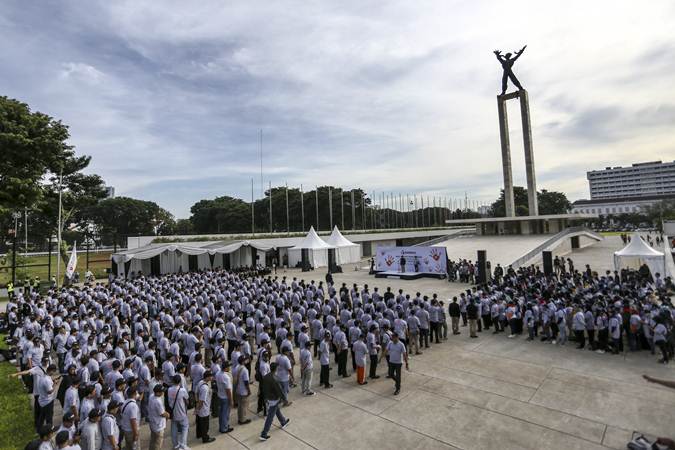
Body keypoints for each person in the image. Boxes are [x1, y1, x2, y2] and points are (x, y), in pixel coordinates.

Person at [259, 362, 291, 441]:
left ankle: (283, 421)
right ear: (276, 369)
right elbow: (279, 391)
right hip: (274, 399)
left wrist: (265, 397)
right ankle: (264, 434)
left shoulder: (266, 376)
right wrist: (285, 400)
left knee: (277, 410)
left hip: (268, 398)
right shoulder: (275, 378)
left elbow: (263, 387)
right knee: (270, 417)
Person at [167, 374, 189, 450]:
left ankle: (175, 445)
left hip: (173, 413)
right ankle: (183, 445)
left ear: (173, 381)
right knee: (185, 427)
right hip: (182, 412)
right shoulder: (182, 390)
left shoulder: (169, 390)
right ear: (180, 381)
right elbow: (187, 401)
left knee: (174, 428)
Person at [195, 369, 216, 443]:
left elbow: (196, 393)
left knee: (200, 424)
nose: (212, 377)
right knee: (205, 425)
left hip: (201, 408)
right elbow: (202, 400)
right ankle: (205, 438)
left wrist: (197, 404)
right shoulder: (205, 388)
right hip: (204, 409)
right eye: (210, 376)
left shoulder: (200, 382)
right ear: (207, 377)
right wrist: (198, 409)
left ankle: (199, 434)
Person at [148, 384, 170, 450]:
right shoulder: (157, 401)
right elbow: (162, 414)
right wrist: (168, 414)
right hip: (158, 426)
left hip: (152, 423)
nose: (163, 392)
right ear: (157, 392)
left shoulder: (151, 396)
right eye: (161, 391)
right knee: (158, 444)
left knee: (152, 441)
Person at [216, 360, 234, 433]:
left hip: (220, 395)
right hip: (225, 397)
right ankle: (224, 428)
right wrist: (231, 400)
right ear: (226, 368)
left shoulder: (218, 374)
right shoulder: (226, 377)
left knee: (221, 413)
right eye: (229, 366)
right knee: (225, 413)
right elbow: (228, 390)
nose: (230, 367)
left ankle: (222, 425)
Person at [235, 356, 252, 425]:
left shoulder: (237, 367)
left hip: (238, 389)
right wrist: (249, 390)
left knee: (240, 406)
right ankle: (243, 420)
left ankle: (240, 418)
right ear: (243, 361)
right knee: (244, 406)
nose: (246, 361)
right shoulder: (245, 370)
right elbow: (246, 382)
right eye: (245, 360)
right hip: (243, 391)